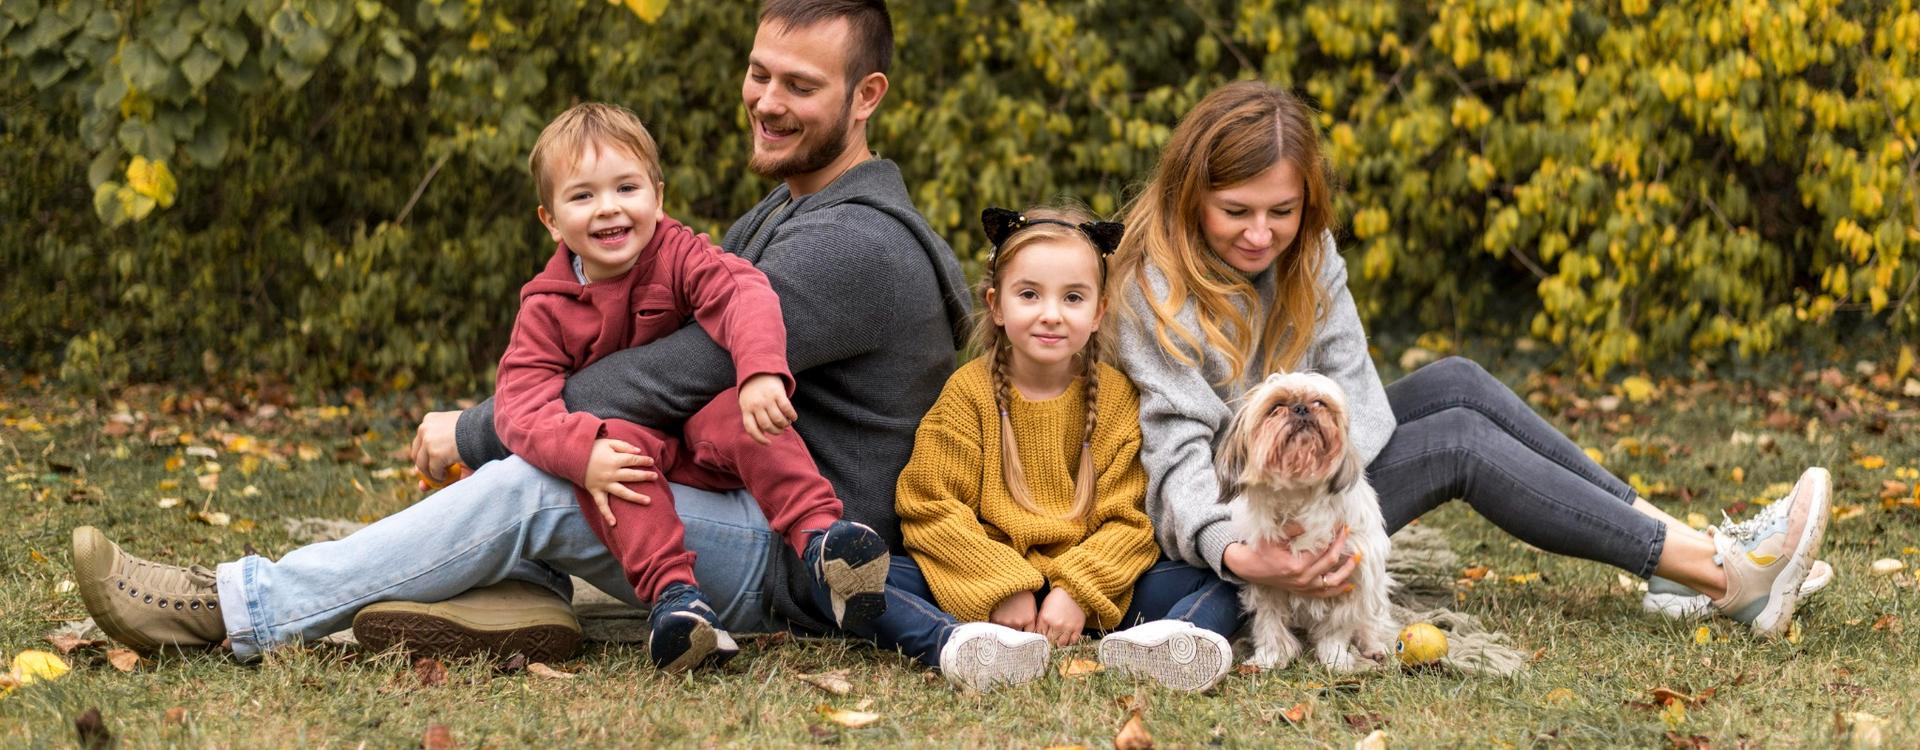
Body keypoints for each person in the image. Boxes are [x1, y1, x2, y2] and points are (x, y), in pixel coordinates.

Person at [69, 0, 972, 662]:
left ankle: (233, 606)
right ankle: (518, 598)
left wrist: (475, 426)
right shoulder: (792, 212)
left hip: (799, 559)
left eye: (800, 86)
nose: (766, 101)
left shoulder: (855, 246)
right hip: (727, 500)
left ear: (867, 97)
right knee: (562, 458)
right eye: (759, 73)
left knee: (535, 487)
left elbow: (665, 378)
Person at [1111, 80, 1832, 646]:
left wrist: (1321, 472)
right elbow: (1175, 459)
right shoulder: (1153, 288)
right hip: (1236, 510)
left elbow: (1359, 392)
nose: (1262, 233)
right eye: (1237, 211)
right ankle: (1722, 576)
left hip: (1311, 482)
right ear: (1189, 194)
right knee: (1457, 442)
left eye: (1283, 210)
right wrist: (1244, 552)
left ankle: (1687, 556)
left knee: (1456, 381)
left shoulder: (1309, 254)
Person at [492, 101, 893, 670]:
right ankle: (677, 603)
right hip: (634, 447)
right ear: (551, 220)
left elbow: (742, 293)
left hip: (706, 433)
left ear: (658, 195)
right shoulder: (546, 307)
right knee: (615, 465)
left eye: (626, 188)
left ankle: (823, 539)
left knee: (741, 411)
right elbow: (519, 405)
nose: (609, 209)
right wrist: (581, 453)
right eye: (582, 196)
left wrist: (758, 370)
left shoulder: (677, 251)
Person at [870, 206, 1240, 693]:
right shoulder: (968, 393)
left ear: (1098, 312)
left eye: (1072, 297)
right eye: (1029, 294)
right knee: (861, 578)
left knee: (1226, 576)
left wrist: (1075, 592)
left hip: (1094, 588)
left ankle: (1169, 641)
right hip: (986, 587)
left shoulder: (1114, 397)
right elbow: (929, 506)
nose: (1051, 314)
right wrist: (1003, 586)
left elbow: (1130, 521)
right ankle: (960, 644)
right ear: (997, 305)